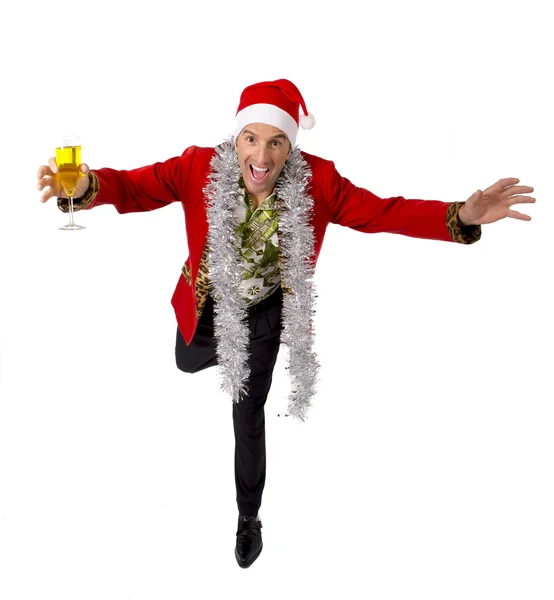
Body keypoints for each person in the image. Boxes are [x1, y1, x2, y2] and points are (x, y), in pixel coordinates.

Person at [36, 78, 536, 569]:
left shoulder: (318, 181)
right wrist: (85, 186)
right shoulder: (196, 168)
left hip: (268, 313)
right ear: (236, 140)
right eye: (251, 138)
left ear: (290, 148)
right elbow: (135, 186)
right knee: (186, 362)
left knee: (247, 414)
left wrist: (461, 216)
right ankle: (216, 356)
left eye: (277, 142)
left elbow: (383, 212)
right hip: (209, 299)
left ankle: (248, 517)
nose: (262, 155)